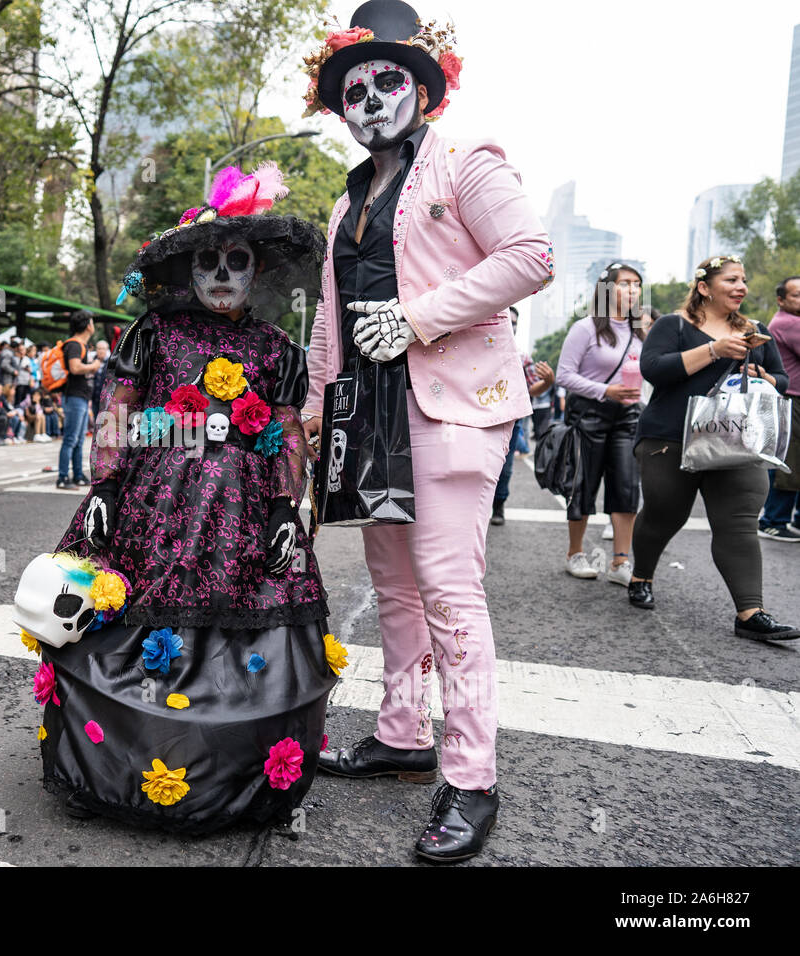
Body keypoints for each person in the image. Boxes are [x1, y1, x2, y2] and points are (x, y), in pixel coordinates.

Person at [301, 1, 554, 862]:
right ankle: (403, 734)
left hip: (454, 404)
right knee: (396, 587)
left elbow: (529, 256)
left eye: (386, 80)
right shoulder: (345, 206)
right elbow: (330, 324)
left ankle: (472, 777)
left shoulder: (465, 163)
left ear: (422, 88)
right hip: (367, 416)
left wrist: (418, 319)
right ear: (340, 108)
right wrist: (312, 409)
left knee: (449, 591)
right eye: (354, 89)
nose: (370, 98)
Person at [30, 160, 336, 833]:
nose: (223, 274)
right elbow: (119, 407)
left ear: (255, 271)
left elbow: (286, 429)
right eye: (209, 261)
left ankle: (226, 773)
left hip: (244, 512)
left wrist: (286, 506)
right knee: (133, 611)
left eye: (237, 260)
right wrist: (107, 484)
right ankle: (128, 769)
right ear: (189, 270)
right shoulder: (156, 333)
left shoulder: (277, 347)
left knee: (246, 618)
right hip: (156, 499)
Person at [628, 255, 797, 642]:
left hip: (737, 440)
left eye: (743, 280)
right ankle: (641, 575)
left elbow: (783, 380)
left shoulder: (755, 331)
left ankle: (750, 613)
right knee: (663, 515)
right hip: (670, 440)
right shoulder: (674, 325)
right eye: (732, 280)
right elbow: (654, 369)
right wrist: (716, 350)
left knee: (739, 522)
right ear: (704, 287)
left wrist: (763, 375)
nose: (742, 287)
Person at [553, 262, 646, 583]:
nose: (632, 290)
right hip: (589, 415)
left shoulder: (641, 331)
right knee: (583, 485)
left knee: (625, 486)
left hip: (628, 416)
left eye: (637, 284)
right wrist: (606, 390)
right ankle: (574, 553)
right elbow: (564, 375)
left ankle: (621, 563)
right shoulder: (586, 328)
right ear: (607, 289)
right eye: (624, 284)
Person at [490, 308, 554, 526]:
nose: (512, 325)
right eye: (509, 320)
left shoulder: (521, 356)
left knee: (504, 469)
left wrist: (547, 382)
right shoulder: (477, 349)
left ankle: (498, 506)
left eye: (514, 322)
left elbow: (531, 388)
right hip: (476, 419)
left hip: (510, 421)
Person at [757, 275, 800, 541]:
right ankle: (773, 520)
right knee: (790, 462)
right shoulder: (789, 323)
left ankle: (789, 519)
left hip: (793, 398)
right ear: (781, 300)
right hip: (793, 399)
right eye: (796, 295)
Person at [55, 312, 100, 488]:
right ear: (88, 325)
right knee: (70, 438)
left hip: (80, 396)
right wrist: (94, 366)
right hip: (73, 396)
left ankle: (78, 475)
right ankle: (63, 477)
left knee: (79, 439)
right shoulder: (74, 345)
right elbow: (74, 368)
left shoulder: (81, 344)